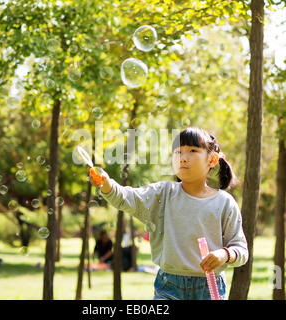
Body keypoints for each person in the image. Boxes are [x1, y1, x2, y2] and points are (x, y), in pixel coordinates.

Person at [89, 127, 248, 300]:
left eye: (192, 150)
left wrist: (224, 254)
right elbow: (128, 198)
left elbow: (241, 250)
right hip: (168, 286)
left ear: (212, 159)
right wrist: (106, 184)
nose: (183, 157)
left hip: (209, 287)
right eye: (178, 152)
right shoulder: (163, 194)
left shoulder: (224, 203)